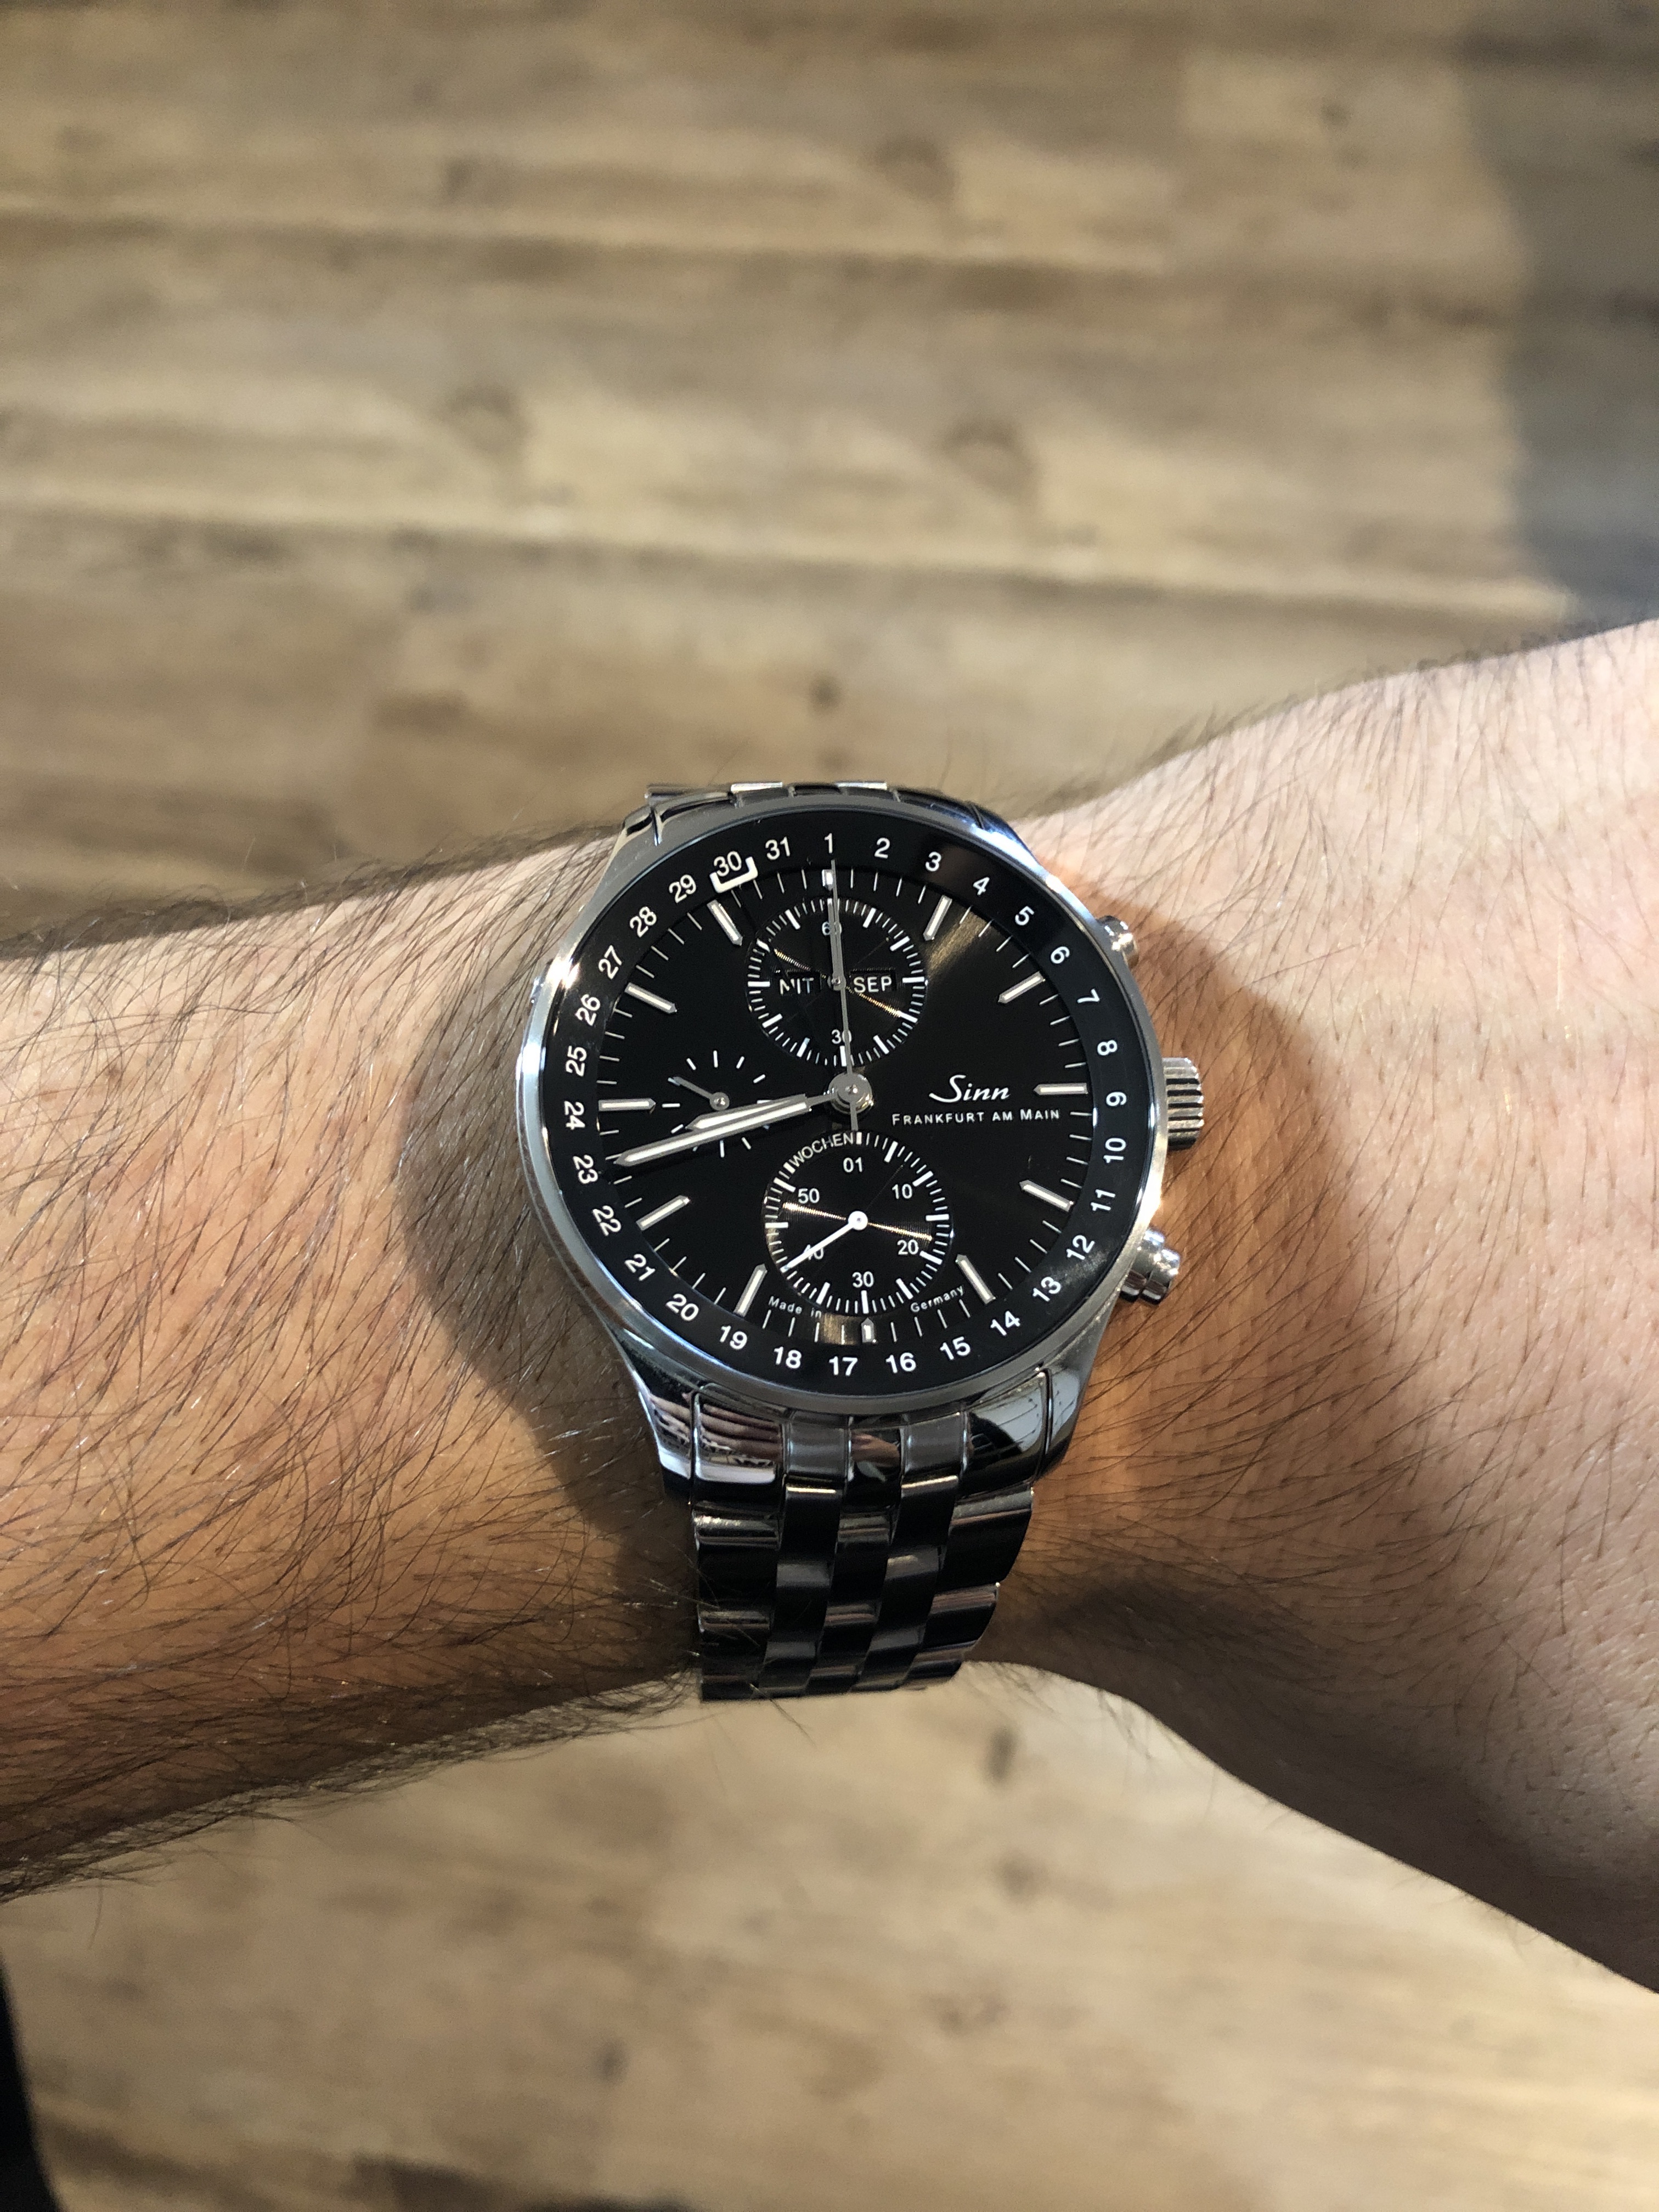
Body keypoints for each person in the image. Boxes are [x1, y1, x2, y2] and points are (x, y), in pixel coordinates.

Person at [1, 622, 1654, 1989]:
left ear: (1167, 1108)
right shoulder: (634, 1079)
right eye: (826, 1084)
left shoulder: (1098, 1132)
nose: (855, 1093)